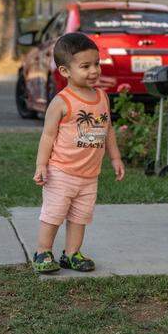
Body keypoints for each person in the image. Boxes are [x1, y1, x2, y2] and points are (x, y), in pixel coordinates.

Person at [31, 32, 125, 274]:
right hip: (61, 172)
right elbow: (48, 136)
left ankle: (71, 254)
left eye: (97, 64)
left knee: (80, 217)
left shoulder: (102, 96)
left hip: (89, 175)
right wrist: (42, 165)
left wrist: (115, 157)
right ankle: (43, 251)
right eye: (85, 66)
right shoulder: (62, 101)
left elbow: (108, 129)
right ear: (65, 71)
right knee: (53, 214)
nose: (94, 70)